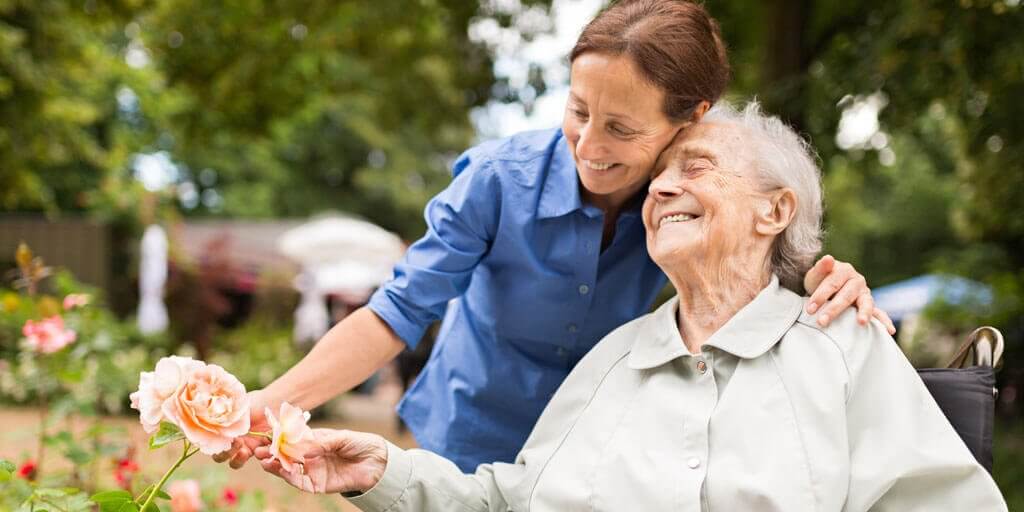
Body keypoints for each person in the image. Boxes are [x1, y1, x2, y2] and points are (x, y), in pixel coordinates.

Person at [217, 0, 894, 473]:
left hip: (592, 445)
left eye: (622, 130)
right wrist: (270, 402)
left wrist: (822, 274)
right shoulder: (495, 181)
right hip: (464, 433)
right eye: (578, 112)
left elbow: (758, 252)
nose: (591, 148)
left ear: (691, 119)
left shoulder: (686, 203)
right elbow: (396, 313)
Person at [255, 101, 1007, 511]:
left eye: (697, 168)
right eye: (658, 178)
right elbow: (515, 502)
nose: (661, 188)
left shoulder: (843, 347)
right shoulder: (615, 358)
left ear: (774, 212)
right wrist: (381, 469)